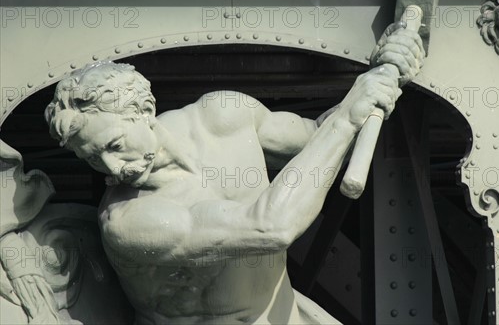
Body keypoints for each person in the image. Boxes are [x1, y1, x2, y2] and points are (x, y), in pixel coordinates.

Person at [45, 26, 423, 325]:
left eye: (113, 145)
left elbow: (318, 139)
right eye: (92, 159)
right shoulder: (128, 221)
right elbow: (271, 228)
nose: (111, 170)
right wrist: (349, 115)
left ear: (143, 110)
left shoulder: (225, 114)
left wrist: (382, 73)